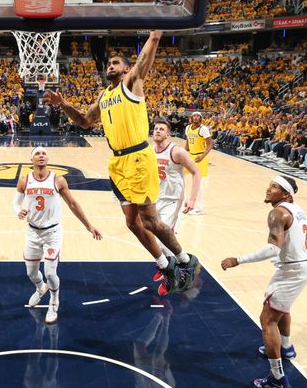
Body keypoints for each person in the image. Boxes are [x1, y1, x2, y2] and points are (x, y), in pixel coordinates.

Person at [44, 31, 198, 295]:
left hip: (138, 157)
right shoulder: (104, 96)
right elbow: (83, 121)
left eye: (115, 63)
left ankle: (186, 260)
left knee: (150, 221)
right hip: (117, 163)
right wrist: (63, 104)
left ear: (126, 68)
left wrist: (155, 35)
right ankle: (165, 264)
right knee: (131, 222)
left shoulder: (132, 83)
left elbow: (145, 59)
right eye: (108, 64)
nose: (110, 66)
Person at [220, 176, 307, 388]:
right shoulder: (297, 209)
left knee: (268, 319)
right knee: (282, 308)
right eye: (269, 185)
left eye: (274, 187)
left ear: (286, 194)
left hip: (292, 270)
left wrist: (238, 260)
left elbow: (273, 249)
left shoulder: (277, 213)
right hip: (304, 265)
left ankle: (278, 379)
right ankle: (287, 348)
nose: (268, 189)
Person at [13, 147, 102, 324]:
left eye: (44, 153)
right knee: (31, 273)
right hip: (32, 232)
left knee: (50, 272)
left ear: (48, 158)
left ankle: (54, 303)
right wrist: (18, 211)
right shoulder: (24, 180)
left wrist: (88, 225)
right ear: (31, 159)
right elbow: (15, 203)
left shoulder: (58, 180)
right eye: (37, 154)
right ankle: (40, 289)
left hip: (52, 232)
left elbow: (73, 204)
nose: (41, 156)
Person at [150, 121, 202, 282]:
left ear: (168, 134)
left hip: (172, 200)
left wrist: (192, 199)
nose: (158, 131)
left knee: (163, 236)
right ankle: (166, 264)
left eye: (162, 129)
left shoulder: (177, 152)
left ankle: (179, 271)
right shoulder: (150, 150)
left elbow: (196, 172)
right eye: (156, 129)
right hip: (155, 198)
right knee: (152, 235)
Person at [184, 112, 212, 215]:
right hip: (190, 155)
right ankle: (188, 201)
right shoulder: (188, 128)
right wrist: (184, 151)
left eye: (197, 116)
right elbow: (187, 141)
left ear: (200, 118)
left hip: (200, 157)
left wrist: (203, 156)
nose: (195, 117)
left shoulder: (203, 129)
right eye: (194, 116)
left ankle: (200, 208)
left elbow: (210, 144)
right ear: (191, 118)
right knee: (183, 177)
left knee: (199, 183)